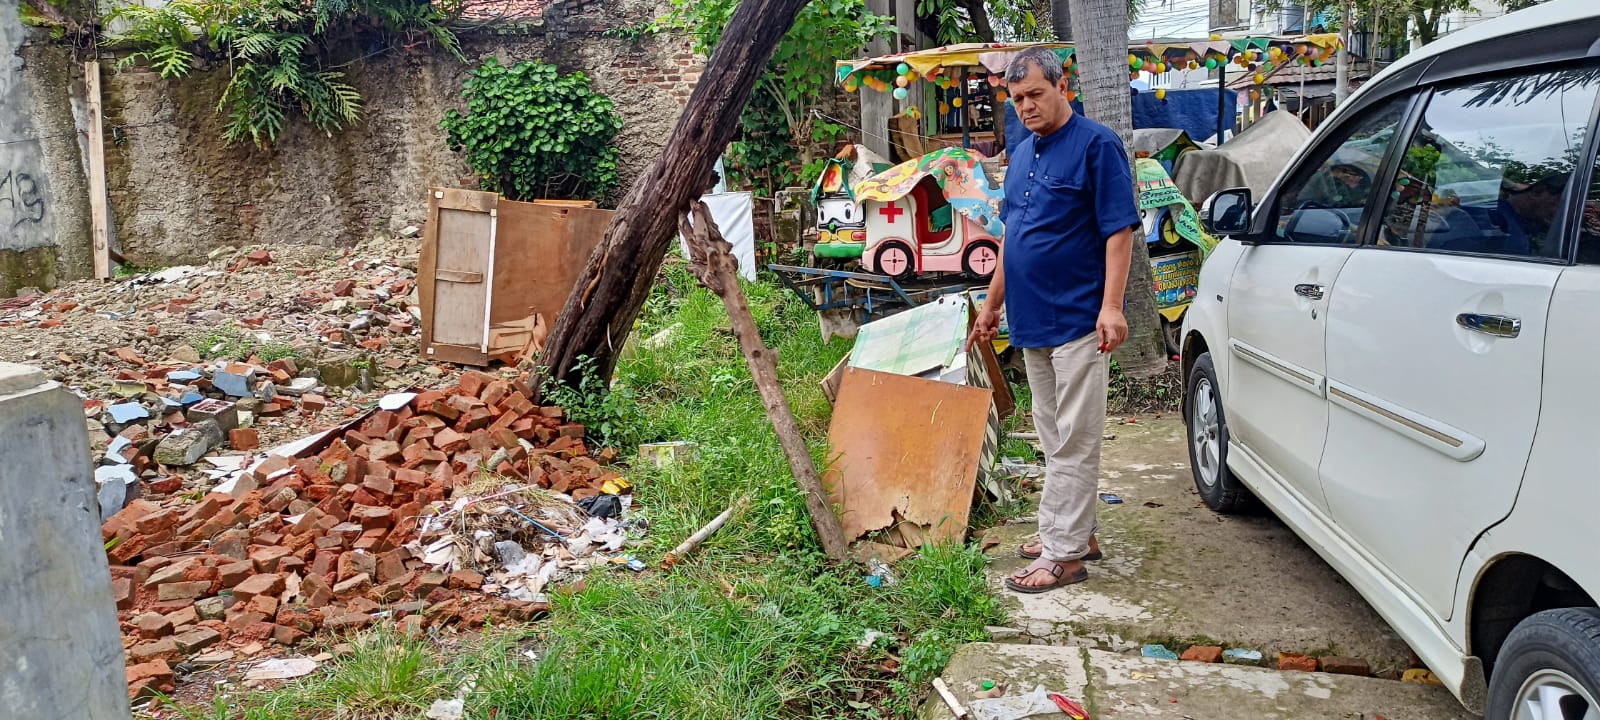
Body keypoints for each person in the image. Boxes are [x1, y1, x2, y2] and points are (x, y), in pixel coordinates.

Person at [966, 46, 1141, 594]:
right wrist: (993, 305)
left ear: (1063, 87)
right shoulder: (1021, 153)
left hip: (1078, 319)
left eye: (1036, 94)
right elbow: (1010, 239)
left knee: (1074, 438)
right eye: (1017, 99)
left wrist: (1111, 306)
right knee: (1051, 433)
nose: (1026, 106)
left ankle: (1063, 555)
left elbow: (1119, 231)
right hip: (1030, 319)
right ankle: (1077, 532)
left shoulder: (1097, 145)